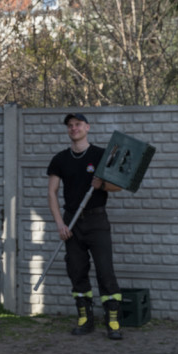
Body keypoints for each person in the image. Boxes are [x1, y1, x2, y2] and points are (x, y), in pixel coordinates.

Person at [46, 113, 124, 340]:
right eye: (70, 126)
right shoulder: (60, 159)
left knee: (105, 271)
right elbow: (51, 192)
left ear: (87, 127)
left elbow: (118, 187)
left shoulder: (101, 155)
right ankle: (85, 319)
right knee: (77, 271)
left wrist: (102, 185)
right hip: (71, 222)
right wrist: (60, 223)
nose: (74, 128)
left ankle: (113, 321)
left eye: (78, 124)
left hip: (97, 220)